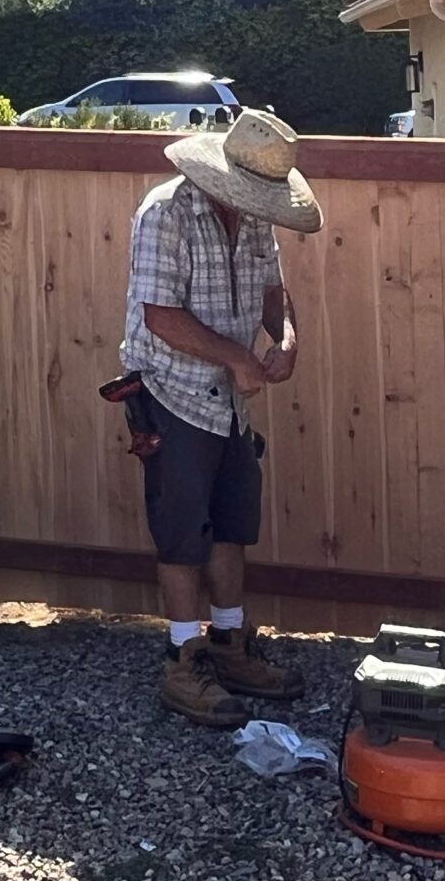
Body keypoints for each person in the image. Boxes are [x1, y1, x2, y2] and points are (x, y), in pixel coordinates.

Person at [121, 108, 321, 726]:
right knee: (183, 531)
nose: (255, 206)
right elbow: (160, 317)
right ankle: (183, 658)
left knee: (232, 522)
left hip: (230, 400)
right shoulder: (166, 213)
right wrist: (238, 356)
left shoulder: (258, 219)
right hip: (171, 391)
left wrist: (284, 340)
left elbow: (273, 295)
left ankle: (231, 646)